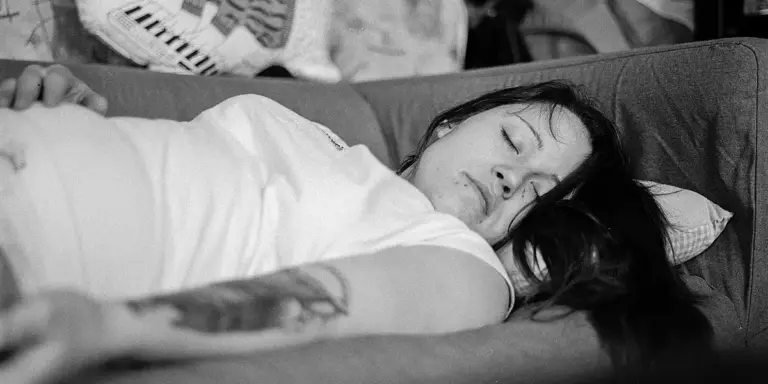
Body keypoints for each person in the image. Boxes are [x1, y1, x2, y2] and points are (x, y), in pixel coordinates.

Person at [0, 64, 710, 384]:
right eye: (514, 142)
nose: (509, 176)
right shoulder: (307, 131)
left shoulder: (463, 263)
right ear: (452, 124)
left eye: (536, 192)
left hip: (30, 254)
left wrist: (107, 328)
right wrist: (62, 107)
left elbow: (323, 303)